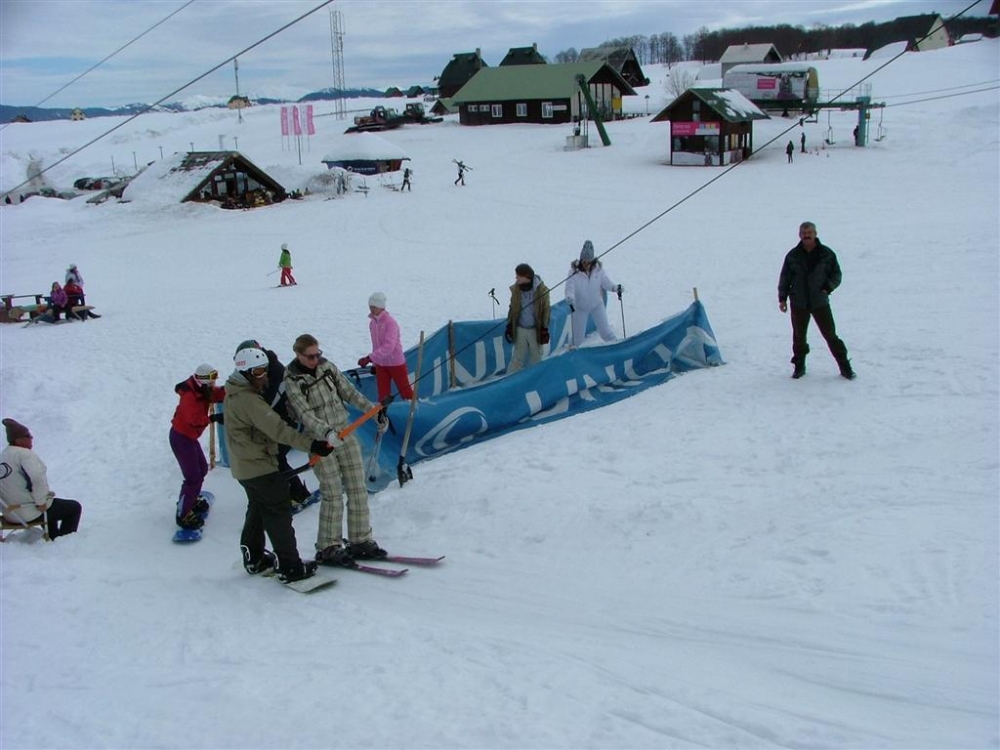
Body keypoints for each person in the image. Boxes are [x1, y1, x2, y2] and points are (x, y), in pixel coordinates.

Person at [225, 347, 333, 584]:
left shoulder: (234, 392)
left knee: (258, 508)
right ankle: (290, 567)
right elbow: (278, 429)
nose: (264, 376)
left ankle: (253, 557)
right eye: (259, 371)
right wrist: (313, 445)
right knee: (277, 512)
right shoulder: (249, 399)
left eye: (265, 370)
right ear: (245, 372)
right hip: (259, 466)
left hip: (245, 468)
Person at [285, 334, 389, 566]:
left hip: (345, 431)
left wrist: (373, 411)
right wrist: (326, 432)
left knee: (357, 486)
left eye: (317, 354)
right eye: (310, 356)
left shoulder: (327, 367)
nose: (315, 359)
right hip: (321, 441)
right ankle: (328, 546)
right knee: (332, 492)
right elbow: (305, 414)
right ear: (299, 355)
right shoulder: (293, 379)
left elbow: (349, 392)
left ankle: (360, 540)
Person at [234, 339, 313, 506]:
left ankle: (297, 494)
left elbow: (266, 404)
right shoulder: (261, 369)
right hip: (273, 420)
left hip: (284, 421)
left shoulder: (274, 371)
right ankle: (292, 492)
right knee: (276, 459)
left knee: (277, 459)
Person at [778, 221, 855, 380]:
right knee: (799, 337)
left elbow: (836, 275)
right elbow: (785, 277)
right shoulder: (792, 256)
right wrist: (782, 298)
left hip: (820, 302)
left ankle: (845, 366)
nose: (807, 236)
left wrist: (828, 287)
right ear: (799, 235)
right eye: (804, 233)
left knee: (830, 335)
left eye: (810, 233)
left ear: (815, 234)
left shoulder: (826, 254)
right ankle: (799, 366)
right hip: (798, 302)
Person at [0, 418, 82, 540]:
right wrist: (41, 502)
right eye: (27, 435)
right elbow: (37, 478)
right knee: (74, 507)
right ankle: (65, 542)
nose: (31, 438)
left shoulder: (3, 456)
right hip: (29, 512)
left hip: (10, 514)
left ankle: (53, 535)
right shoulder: (25, 455)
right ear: (18, 440)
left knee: (52, 505)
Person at [170, 364, 225, 530]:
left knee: (201, 469)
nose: (214, 384)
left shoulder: (201, 389)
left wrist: (230, 390)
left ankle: (190, 500)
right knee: (193, 477)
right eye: (212, 381)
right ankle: (183, 513)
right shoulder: (189, 396)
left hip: (189, 438)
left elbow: (215, 394)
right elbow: (193, 419)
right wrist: (213, 417)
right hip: (181, 439)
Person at [358, 292, 414, 402]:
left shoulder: (390, 323)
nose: (371, 309)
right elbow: (376, 345)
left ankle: (414, 412)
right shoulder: (373, 324)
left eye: (374, 307)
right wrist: (375, 362)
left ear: (381, 307)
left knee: (406, 392)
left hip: (396, 363)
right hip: (381, 364)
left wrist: (370, 358)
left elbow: (389, 346)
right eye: (370, 306)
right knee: (383, 395)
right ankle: (384, 415)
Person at [565, 240, 620, 348]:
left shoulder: (598, 269)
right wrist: (570, 297)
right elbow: (569, 288)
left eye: (589, 262)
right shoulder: (573, 272)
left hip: (597, 305)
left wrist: (615, 288)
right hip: (580, 308)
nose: (586, 264)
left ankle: (618, 347)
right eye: (584, 261)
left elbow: (606, 283)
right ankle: (571, 355)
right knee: (577, 339)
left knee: (606, 333)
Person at [505, 263, 551, 374]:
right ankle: (509, 382)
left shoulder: (541, 290)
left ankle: (537, 380)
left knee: (536, 358)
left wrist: (544, 328)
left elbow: (546, 310)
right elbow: (512, 308)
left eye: (518, 276)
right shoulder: (516, 289)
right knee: (517, 359)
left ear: (526, 277)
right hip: (520, 328)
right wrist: (510, 325)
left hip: (535, 330)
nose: (516, 278)